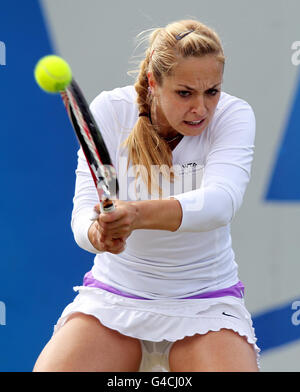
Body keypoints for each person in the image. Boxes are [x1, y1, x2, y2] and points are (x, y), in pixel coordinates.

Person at [33, 19, 260, 372]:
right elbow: (82, 215)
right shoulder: (111, 109)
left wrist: (135, 214)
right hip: (115, 296)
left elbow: (221, 203)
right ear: (154, 82)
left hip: (206, 302)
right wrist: (98, 234)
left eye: (211, 91)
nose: (200, 108)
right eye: (185, 93)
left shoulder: (234, 115)